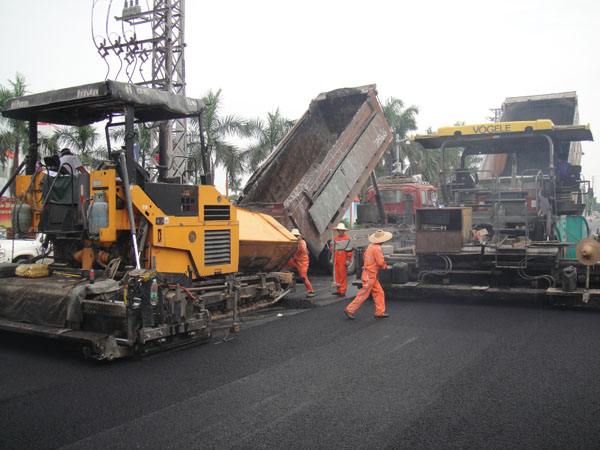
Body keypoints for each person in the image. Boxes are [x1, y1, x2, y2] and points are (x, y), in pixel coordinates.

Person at [344, 229, 392, 319]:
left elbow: (366, 257)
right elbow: (380, 262)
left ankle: (380, 312)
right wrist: (385, 266)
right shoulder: (377, 249)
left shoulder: (370, 246)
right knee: (363, 294)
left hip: (370, 275)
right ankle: (350, 309)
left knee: (379, 292)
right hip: (370, 276)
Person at [287, 228, 315, 298]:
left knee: (303, 277)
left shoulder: (302, 243)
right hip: (296, 260)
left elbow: (301, 250)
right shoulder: (294, 242)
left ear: (299, 236)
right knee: (286, 263)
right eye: (294, 235)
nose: (295, 237)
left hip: (303, 262)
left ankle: (311, 291)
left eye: (296, 236)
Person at [331, 222, 353, 296]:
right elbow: (333, 249)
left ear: (344, 231)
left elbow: (349, 250)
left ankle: (343, 291)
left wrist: (348, 260)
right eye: (339, 230)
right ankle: (338, 290)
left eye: (341, 230)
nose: (340, 231)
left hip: (343, 257)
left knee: (342, 275)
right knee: (337, 274)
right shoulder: (335, 238)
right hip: (337, 257)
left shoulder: (347, 238)